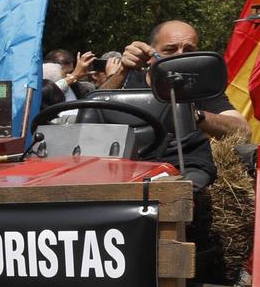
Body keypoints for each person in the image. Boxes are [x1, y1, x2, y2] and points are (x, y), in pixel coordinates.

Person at [92, 20, 247, 184]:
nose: (180, 55)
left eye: (188, 50)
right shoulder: (129, 80)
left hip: (180, 171)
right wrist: (123, 71)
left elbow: (242, 130)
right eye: (170, 50)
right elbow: (95, 108)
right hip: (121, 171)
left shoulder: (200, 88)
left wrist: (195, 116)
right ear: (150, 55)